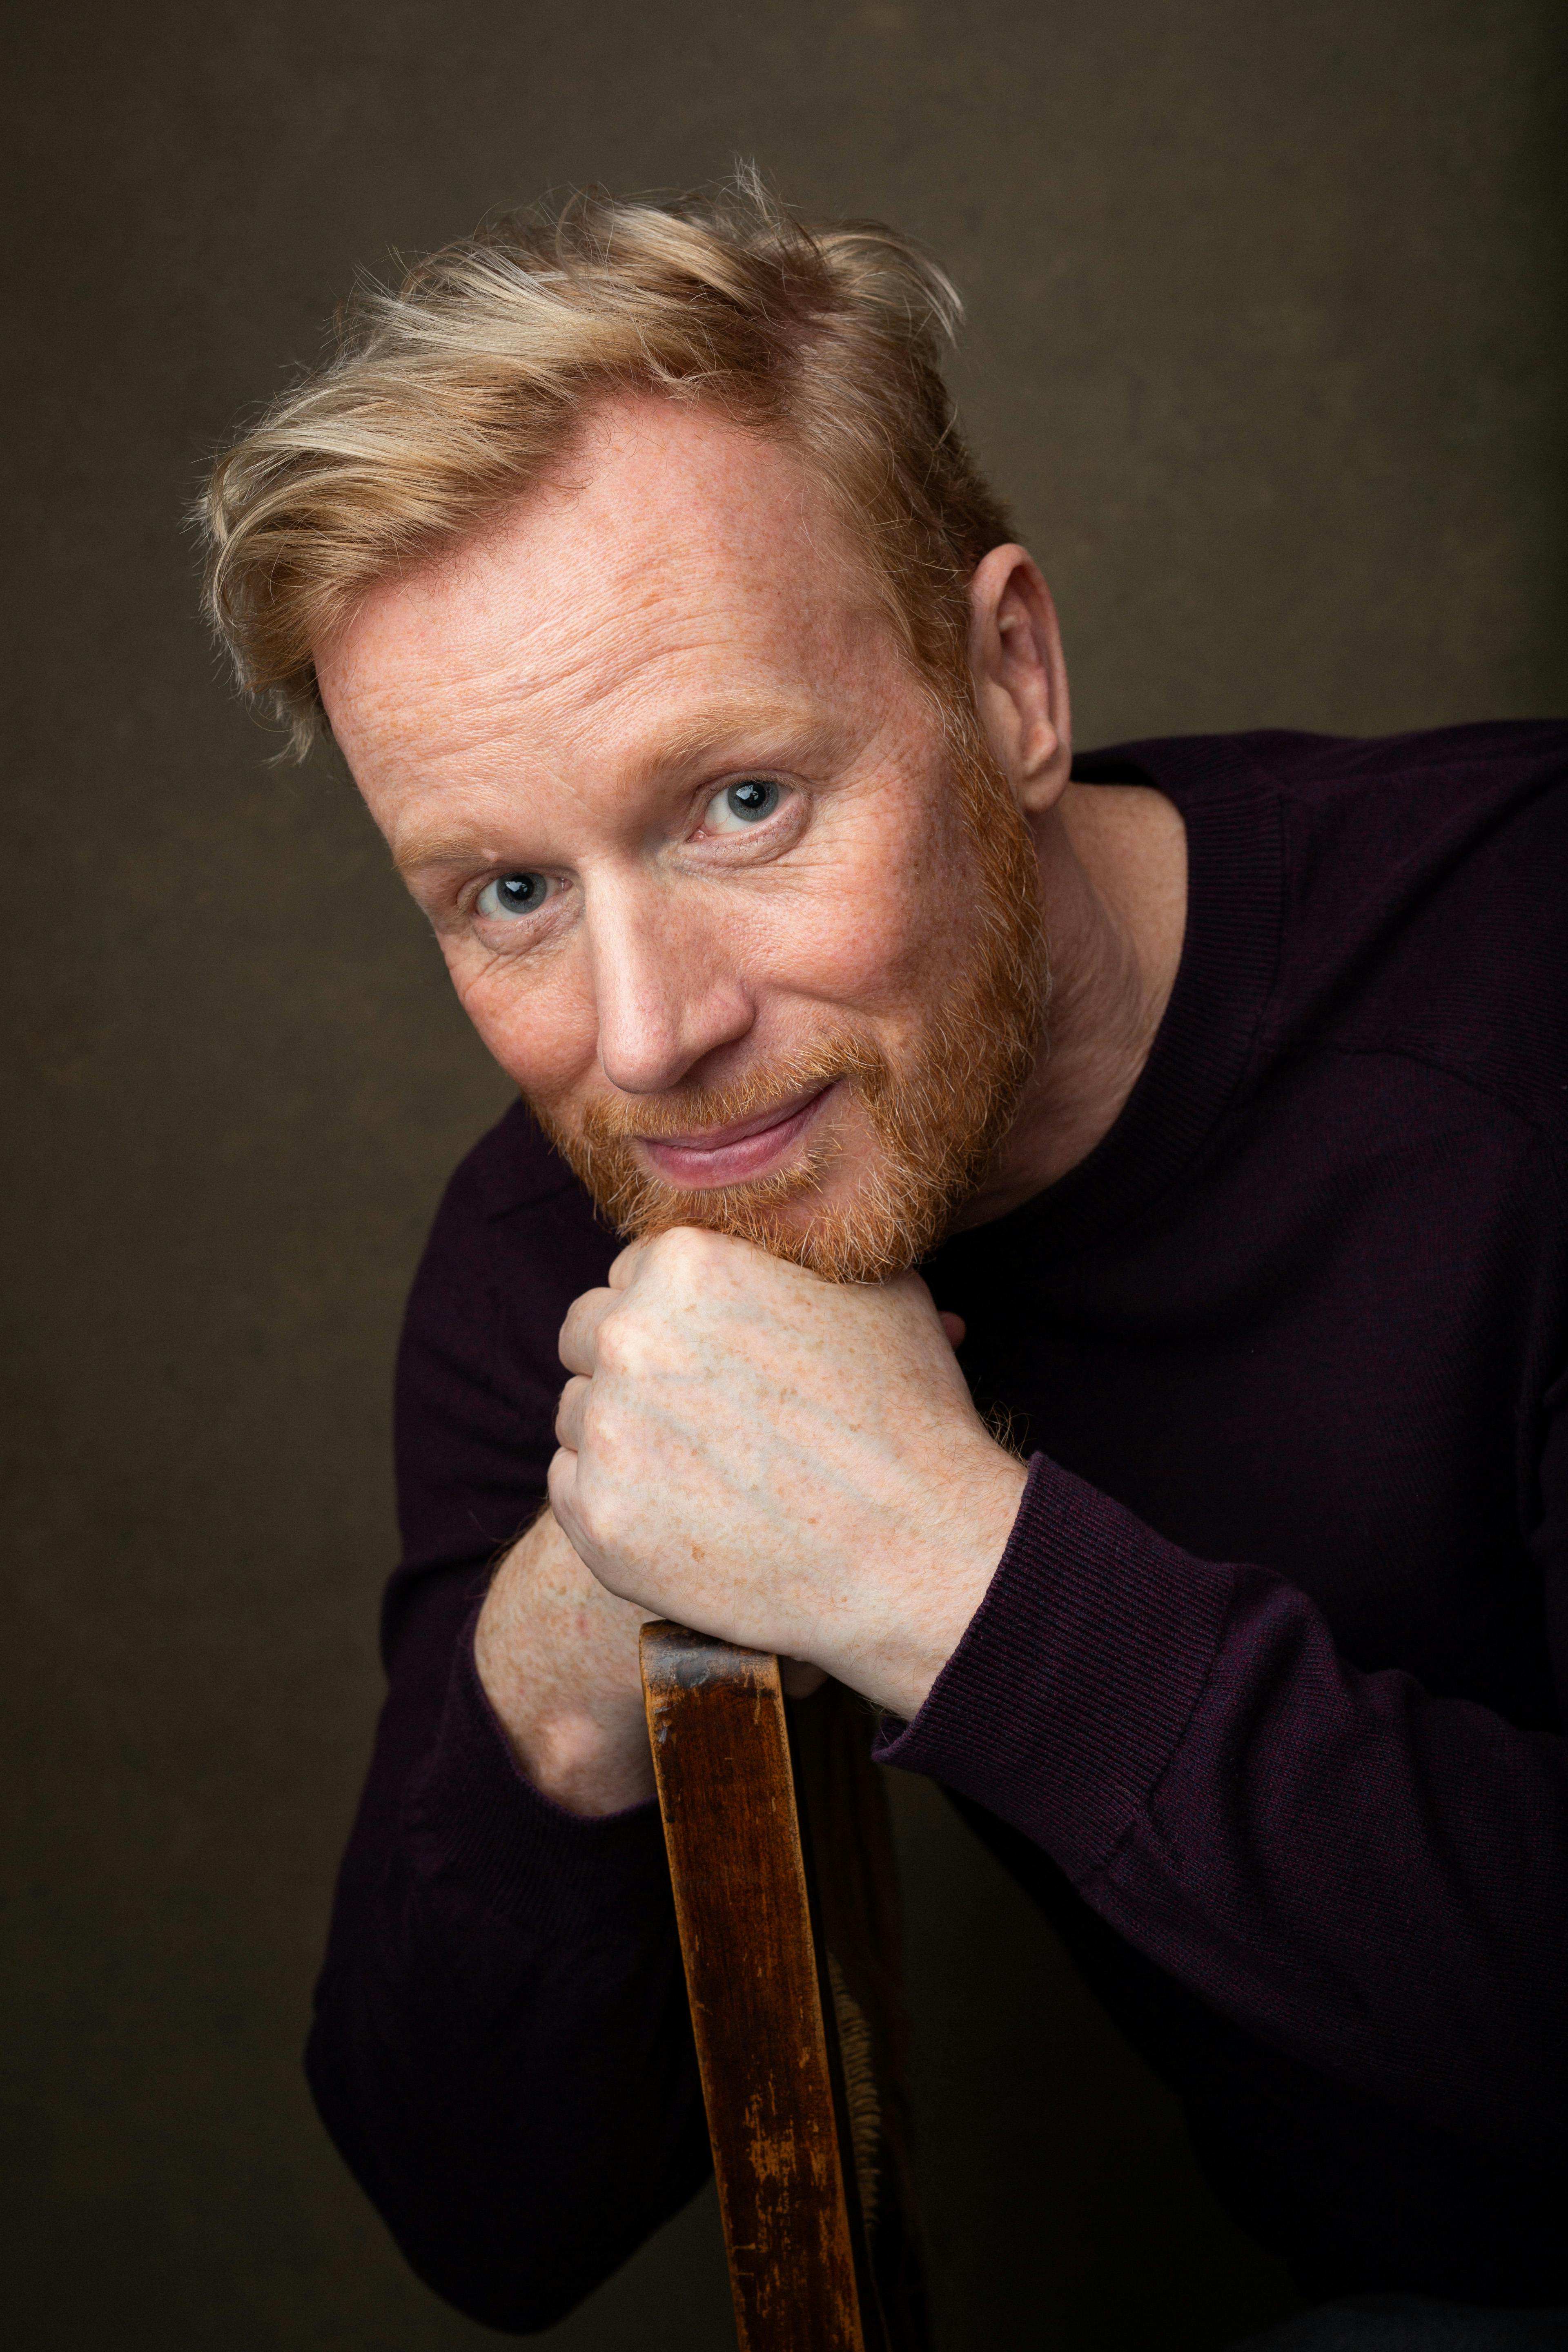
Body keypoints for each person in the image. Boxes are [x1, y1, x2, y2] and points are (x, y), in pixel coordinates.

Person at [200, 178, 1568, 2341]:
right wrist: (564, 1649)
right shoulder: (573, 1242)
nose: (648, 1038)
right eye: (505, 895)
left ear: (1008, 676)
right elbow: (484, 2218)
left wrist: (947, 1571)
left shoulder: (1525, 970)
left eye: (741, 803)